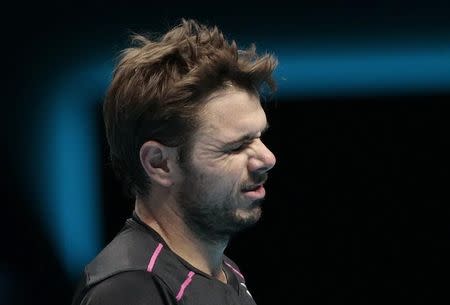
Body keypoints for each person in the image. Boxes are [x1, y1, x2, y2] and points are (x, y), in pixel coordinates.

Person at [72, 19, 278, 305]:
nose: (267, 159)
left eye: (259, 137)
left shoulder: (226, 273)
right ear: (160, 163)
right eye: (237, 146)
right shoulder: (129, 289)